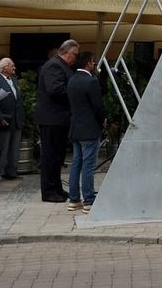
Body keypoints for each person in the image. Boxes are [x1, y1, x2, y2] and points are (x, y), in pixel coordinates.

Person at [38, 39, 79, 203]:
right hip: (52, 118)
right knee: (50, 156)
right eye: (75, 54)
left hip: (59, 118)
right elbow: (55, 90)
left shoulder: (63, 66)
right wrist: (75, 93)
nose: (76, 58)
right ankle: (48, 191)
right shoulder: (54, 65)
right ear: (66, 52)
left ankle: (56, 188)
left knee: (58, 156)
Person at [66, 51, 102, 213]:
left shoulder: (72, 80)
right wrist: (102, 122)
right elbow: (98, 107)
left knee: (76, 164)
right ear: (88, 63)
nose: (94, 65)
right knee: (88, 165)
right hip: (89, 128)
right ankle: (88, 199)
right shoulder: (91, 81)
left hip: (76, 128)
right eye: (93, 62)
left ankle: (74, 199)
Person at [0, 57, 25, 183]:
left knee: (14, 148)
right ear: (4, 68)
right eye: (12, 66)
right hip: (4, 118)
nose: (14, 68)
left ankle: (11, 172)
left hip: (16, 118)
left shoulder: (14, 80)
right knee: (1, 148)